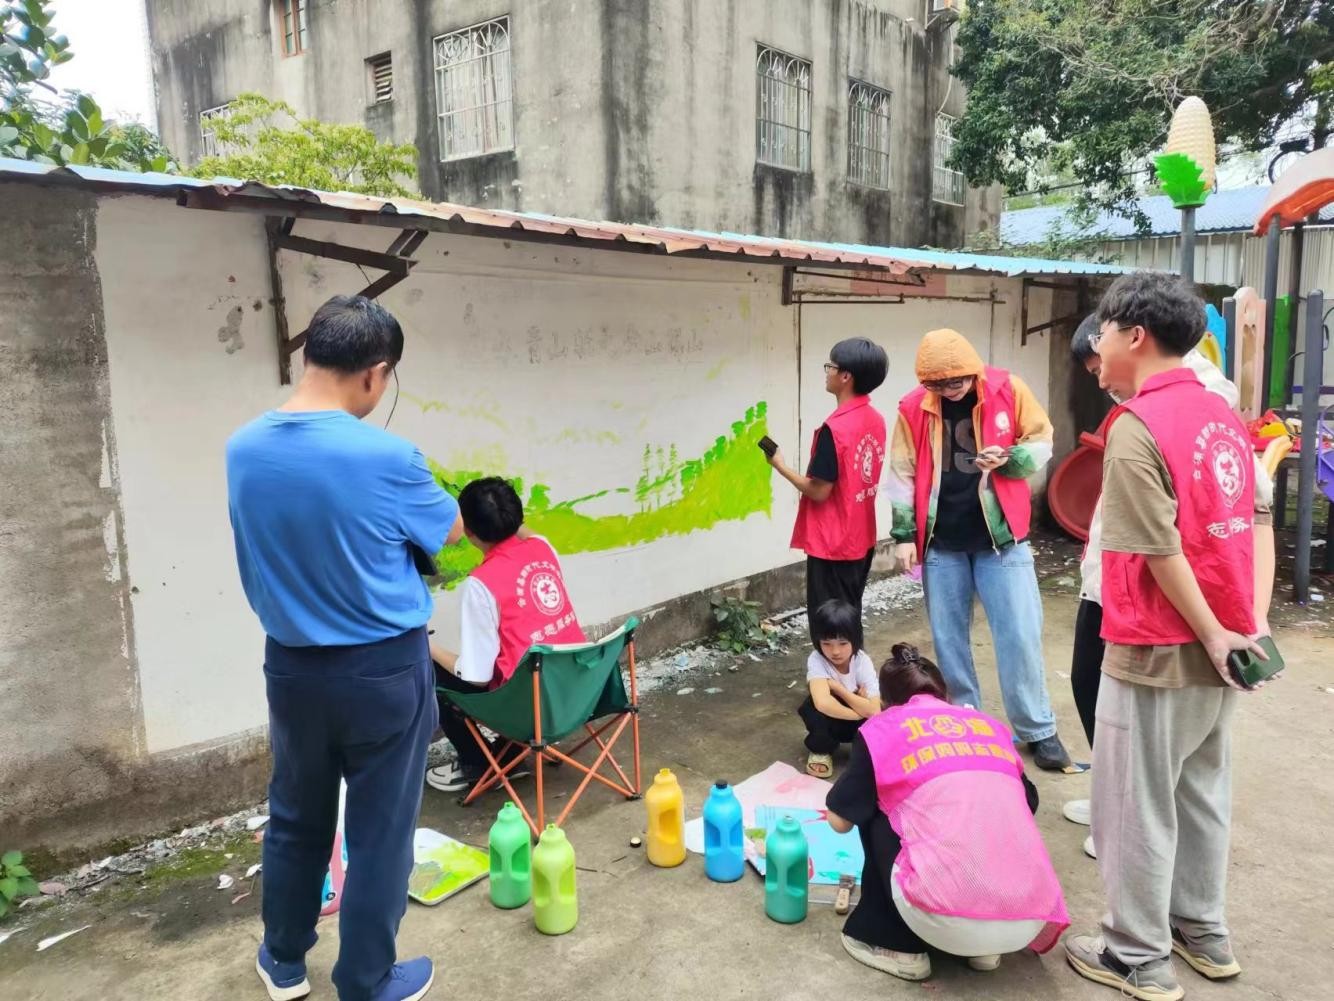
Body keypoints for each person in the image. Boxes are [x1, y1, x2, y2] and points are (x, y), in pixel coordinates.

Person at [227, 295, 461, 1001]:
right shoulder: (389, 456)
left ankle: (283, 961)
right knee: (381, 829)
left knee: (297, 815)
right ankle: (365, 979)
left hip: (291, 668)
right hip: (383, 669)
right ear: (375, 372)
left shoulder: (243, 448)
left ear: (310, 354)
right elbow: (449, 531)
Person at [1064, 273, 1276, 1001]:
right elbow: (1253, 521)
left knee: (1134, 805)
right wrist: (1243, 624)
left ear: (1135, 335)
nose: (1096, 346)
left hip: (1159, 641)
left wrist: (1212, 631)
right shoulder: (1221, 413)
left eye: (1103, 331)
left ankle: (1135, 955)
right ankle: (1201, 929)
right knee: (1200, 791)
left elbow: (1156, 547)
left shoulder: (1137, 425)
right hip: (1228, 642)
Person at [886, 328, 1072, 771]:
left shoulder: (1009, 389)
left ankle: (1038, 729)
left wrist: (1009, 458)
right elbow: (901, 472)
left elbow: (1042, 441)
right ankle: (967, 724)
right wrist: (903, 536)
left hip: (1002, 539)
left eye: (957, 381)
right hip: (942, 541)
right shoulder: (913, 407)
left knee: (1020, 635)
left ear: (974, 372)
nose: (949, 390)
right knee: (949, 642)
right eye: (938, 384)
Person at [826, 644, 1068, 983]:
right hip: (1026, 916)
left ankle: (893, 944)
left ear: (886, 703)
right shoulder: (988, 726)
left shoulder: (884, 729)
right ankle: (984, 950)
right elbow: (1028, 803)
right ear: (944, 695)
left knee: (878, 808)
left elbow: (839, 820)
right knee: (994, 812)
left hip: (945, 916)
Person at [426, 476, 585, 794]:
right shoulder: (542, 548)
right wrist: (506, 513)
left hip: (527, 710)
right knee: (520, 666)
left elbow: (476, 677)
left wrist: (426, 646)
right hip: (575, 694)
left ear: (469, 532)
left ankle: (479, 764)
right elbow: (527, 533)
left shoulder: (481, 584)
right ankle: (509, 755)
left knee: (430, 670)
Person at [766, 337, 888, 646]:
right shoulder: (875, 419)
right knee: (849, 616)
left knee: (829, 628)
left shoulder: (835, 429)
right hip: (861, 536)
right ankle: (855, 674)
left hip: (834, 543)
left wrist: (780, 466)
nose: (827, 372)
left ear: (845, 376)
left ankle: (836, 677)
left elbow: (819, 491)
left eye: (830, 366)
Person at [797, 599, 881, 777]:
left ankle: (865, 753)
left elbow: (875, 710)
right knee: (811, 707)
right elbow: (823, 703)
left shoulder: (862, 661)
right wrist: (859, 711)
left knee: (883, 715)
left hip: (856, 724)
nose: (835, 651)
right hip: (832, 719)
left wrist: (838, 688)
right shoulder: (816, 659)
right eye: (827, 644)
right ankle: (821, 751)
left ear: (855, 639)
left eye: (843, 643)